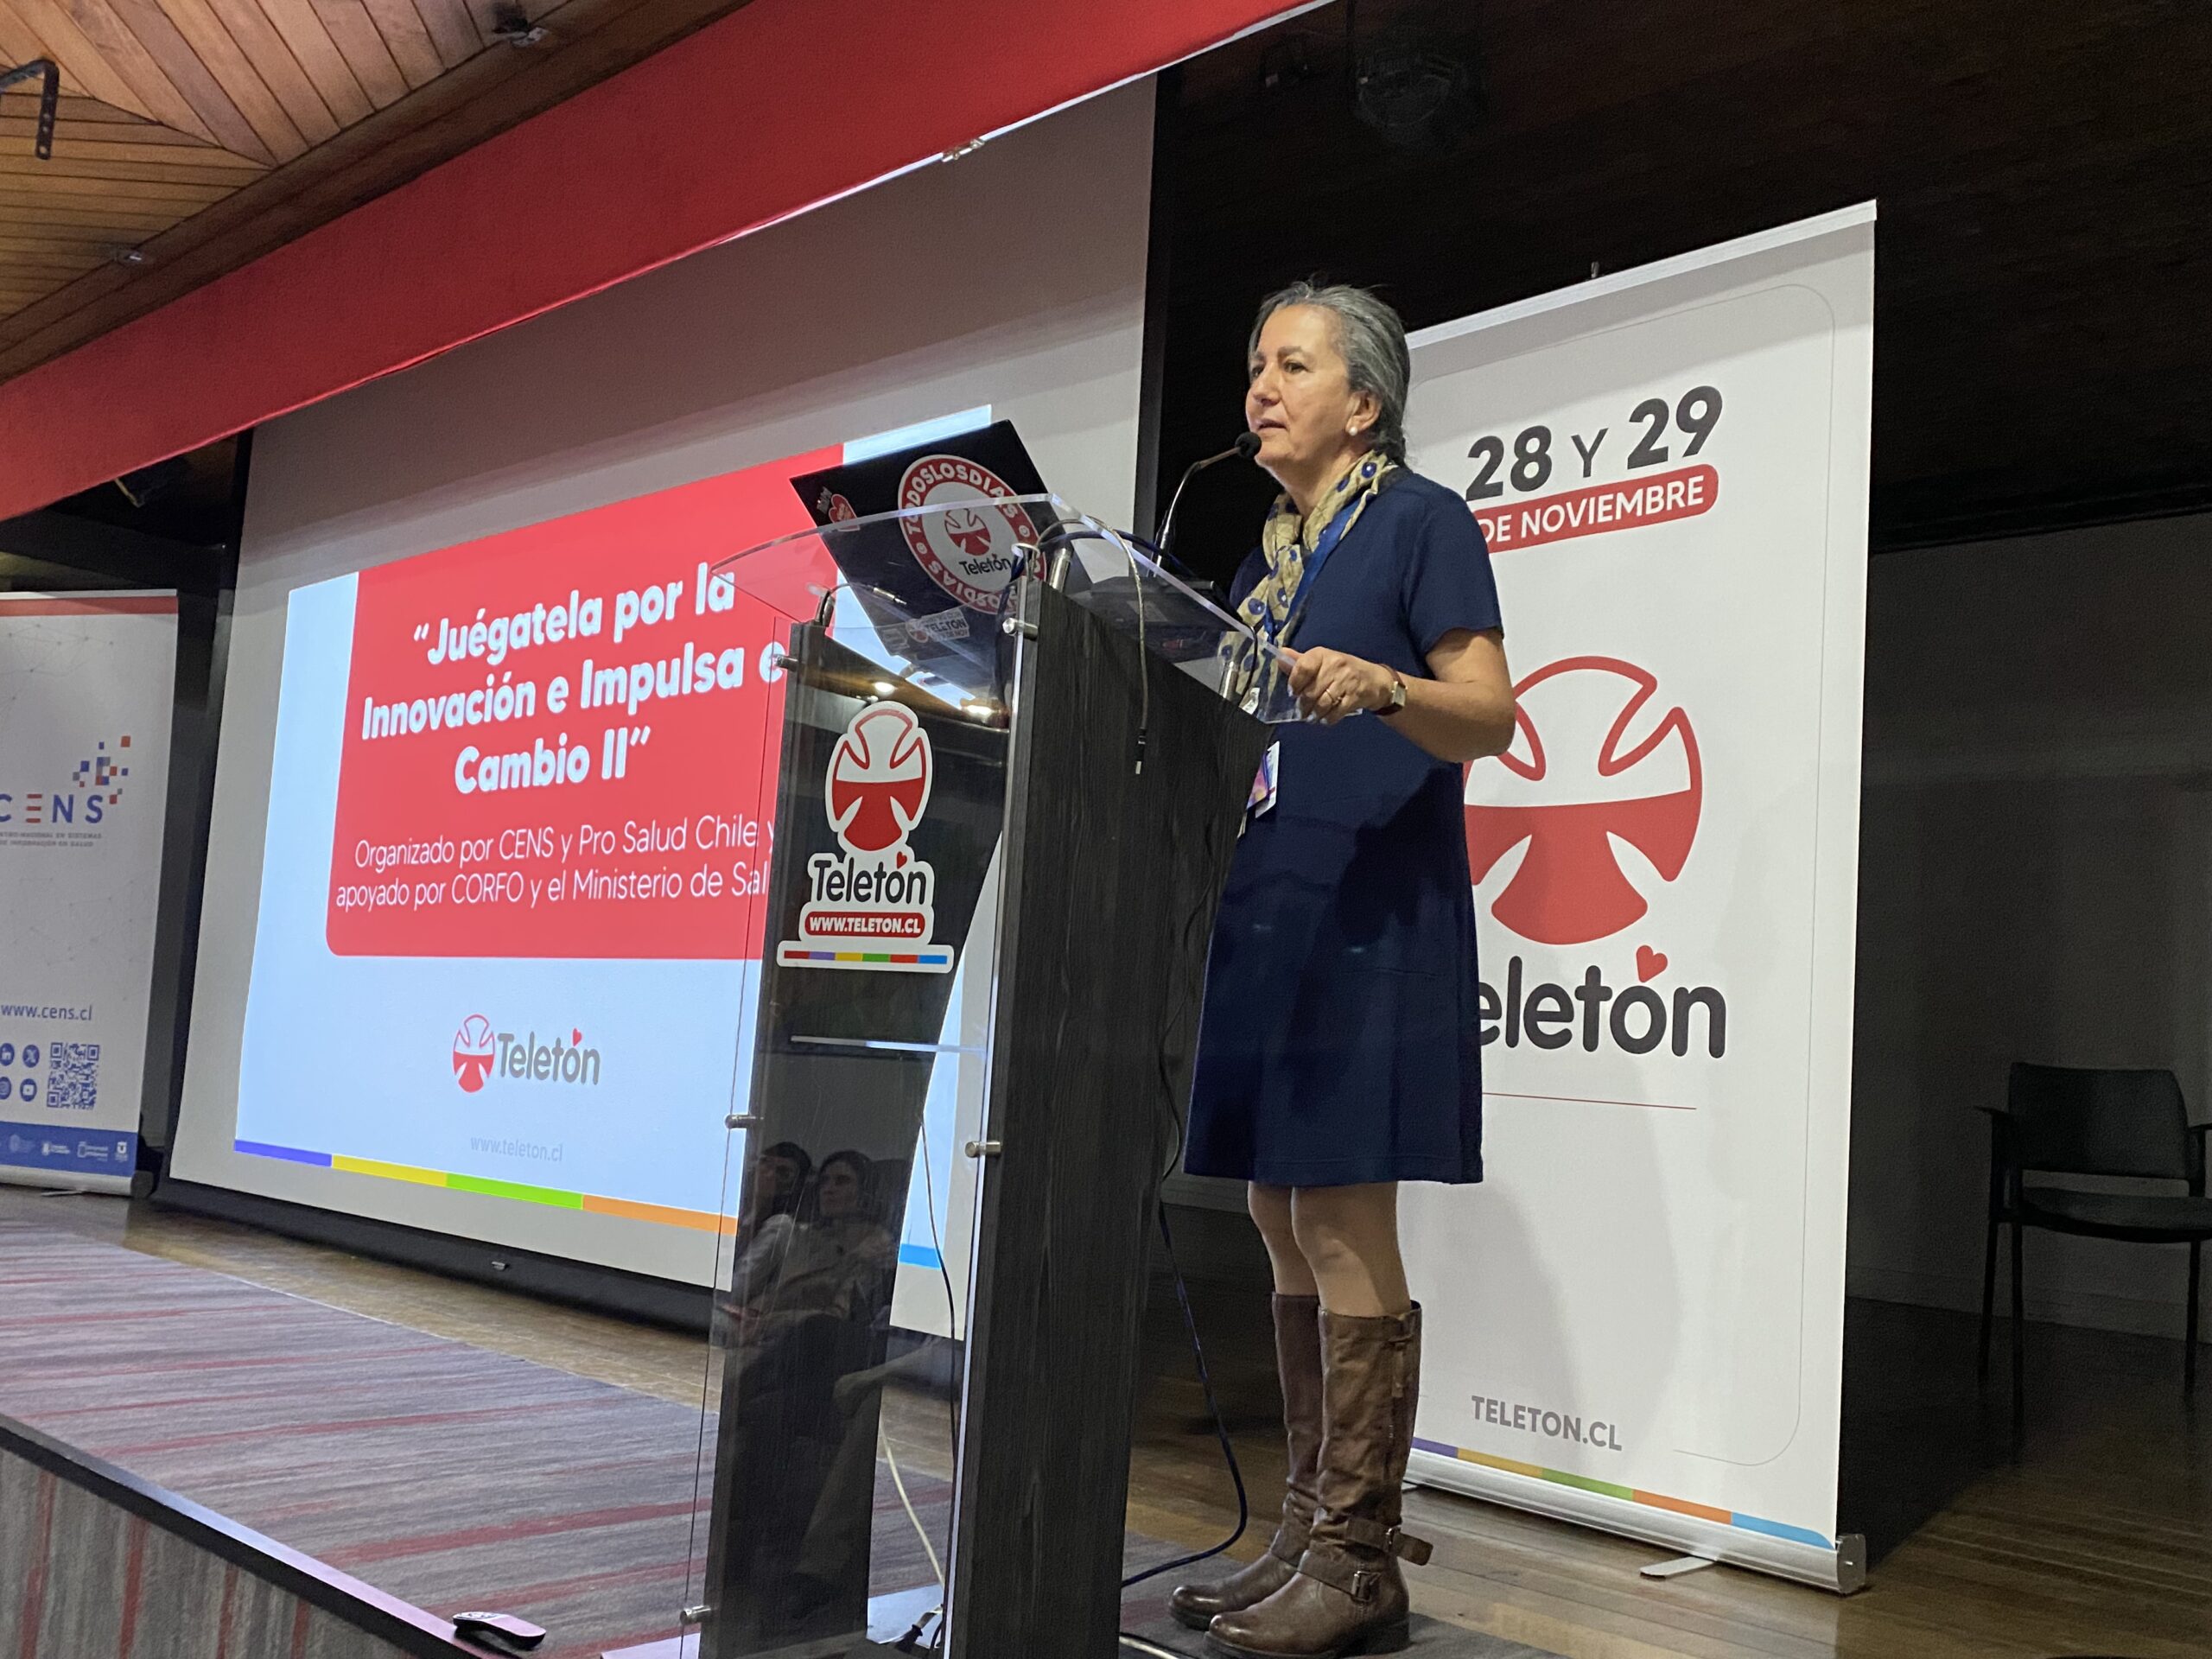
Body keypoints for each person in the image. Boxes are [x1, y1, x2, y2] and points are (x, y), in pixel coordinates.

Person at [1173, 283, 1516, 1659]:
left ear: (1363, 402)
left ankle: (1361, 1562)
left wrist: (1384, 687)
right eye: (1256, 365)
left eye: (1293, 365)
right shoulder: (1261, 568)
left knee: (1338, 1215)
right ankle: (1306, 1532)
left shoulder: (1421, 522)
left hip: (1375, 905)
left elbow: (1488, 713)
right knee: (1274, 1207)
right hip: (1270, 908)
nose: (1261, 387)